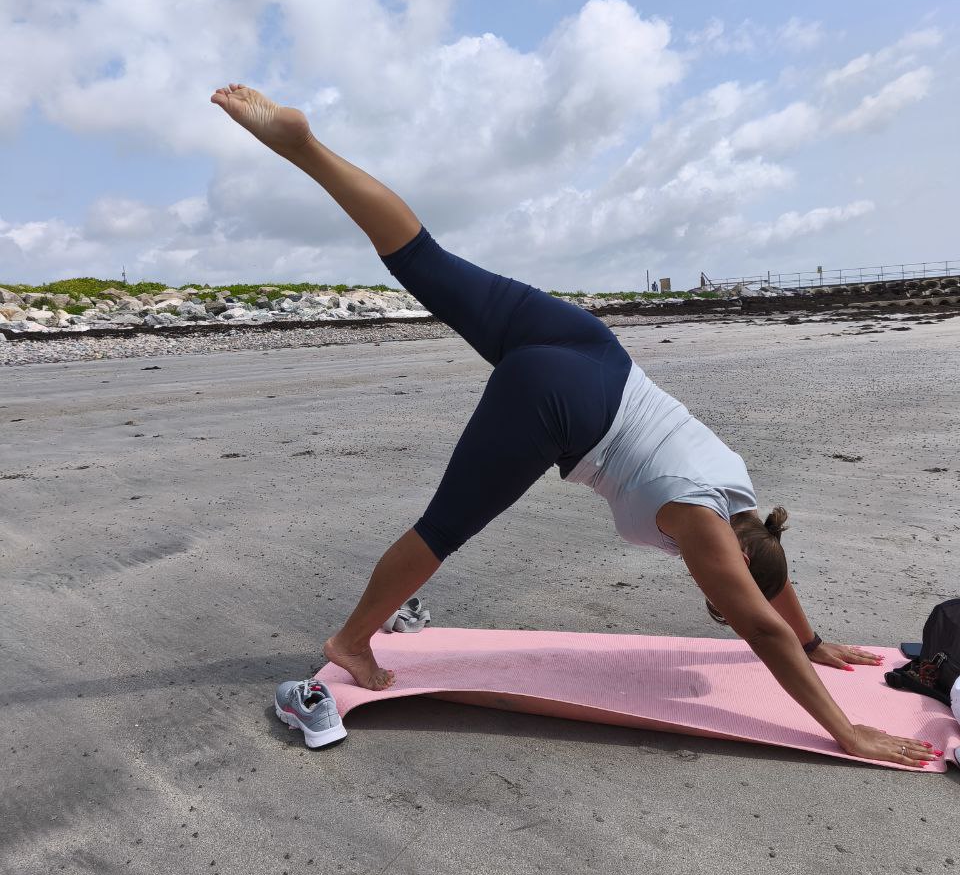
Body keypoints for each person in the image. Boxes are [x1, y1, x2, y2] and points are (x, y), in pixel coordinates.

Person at [211, 83, 937, 768]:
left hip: (590, 346)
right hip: (559, 407)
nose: (713, 598)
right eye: (717, 599)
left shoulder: (742, 495)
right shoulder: (704, 530)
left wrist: (814, 641)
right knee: (442, 529)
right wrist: (845, 730)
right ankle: (351, 639)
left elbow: (768, 579)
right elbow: (761, 624)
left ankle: (304, 147)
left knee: (426, 261)